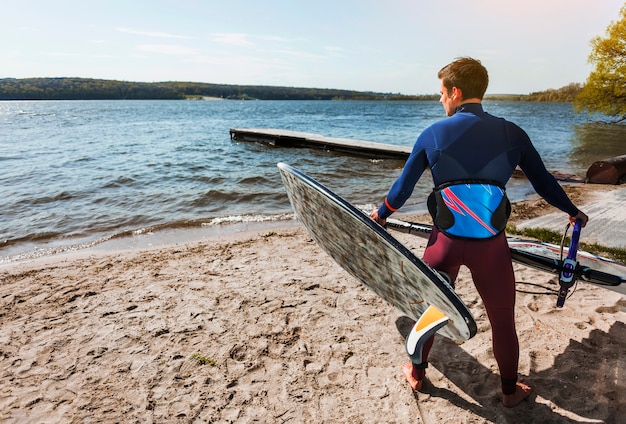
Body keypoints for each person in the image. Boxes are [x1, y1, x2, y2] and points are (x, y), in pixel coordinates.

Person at [370, 57, 589, 408]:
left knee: (431, 309)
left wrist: (381, 215)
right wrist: (572, 212)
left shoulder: (432, 134)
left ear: (455, 92)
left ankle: (416, 374)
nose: (441, 101)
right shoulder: (511, 133)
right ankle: (509, 393)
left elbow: (402, 189)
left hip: (444, 244)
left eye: (442, 94)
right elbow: (543, 181)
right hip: (491, 247)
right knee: (502, 320)